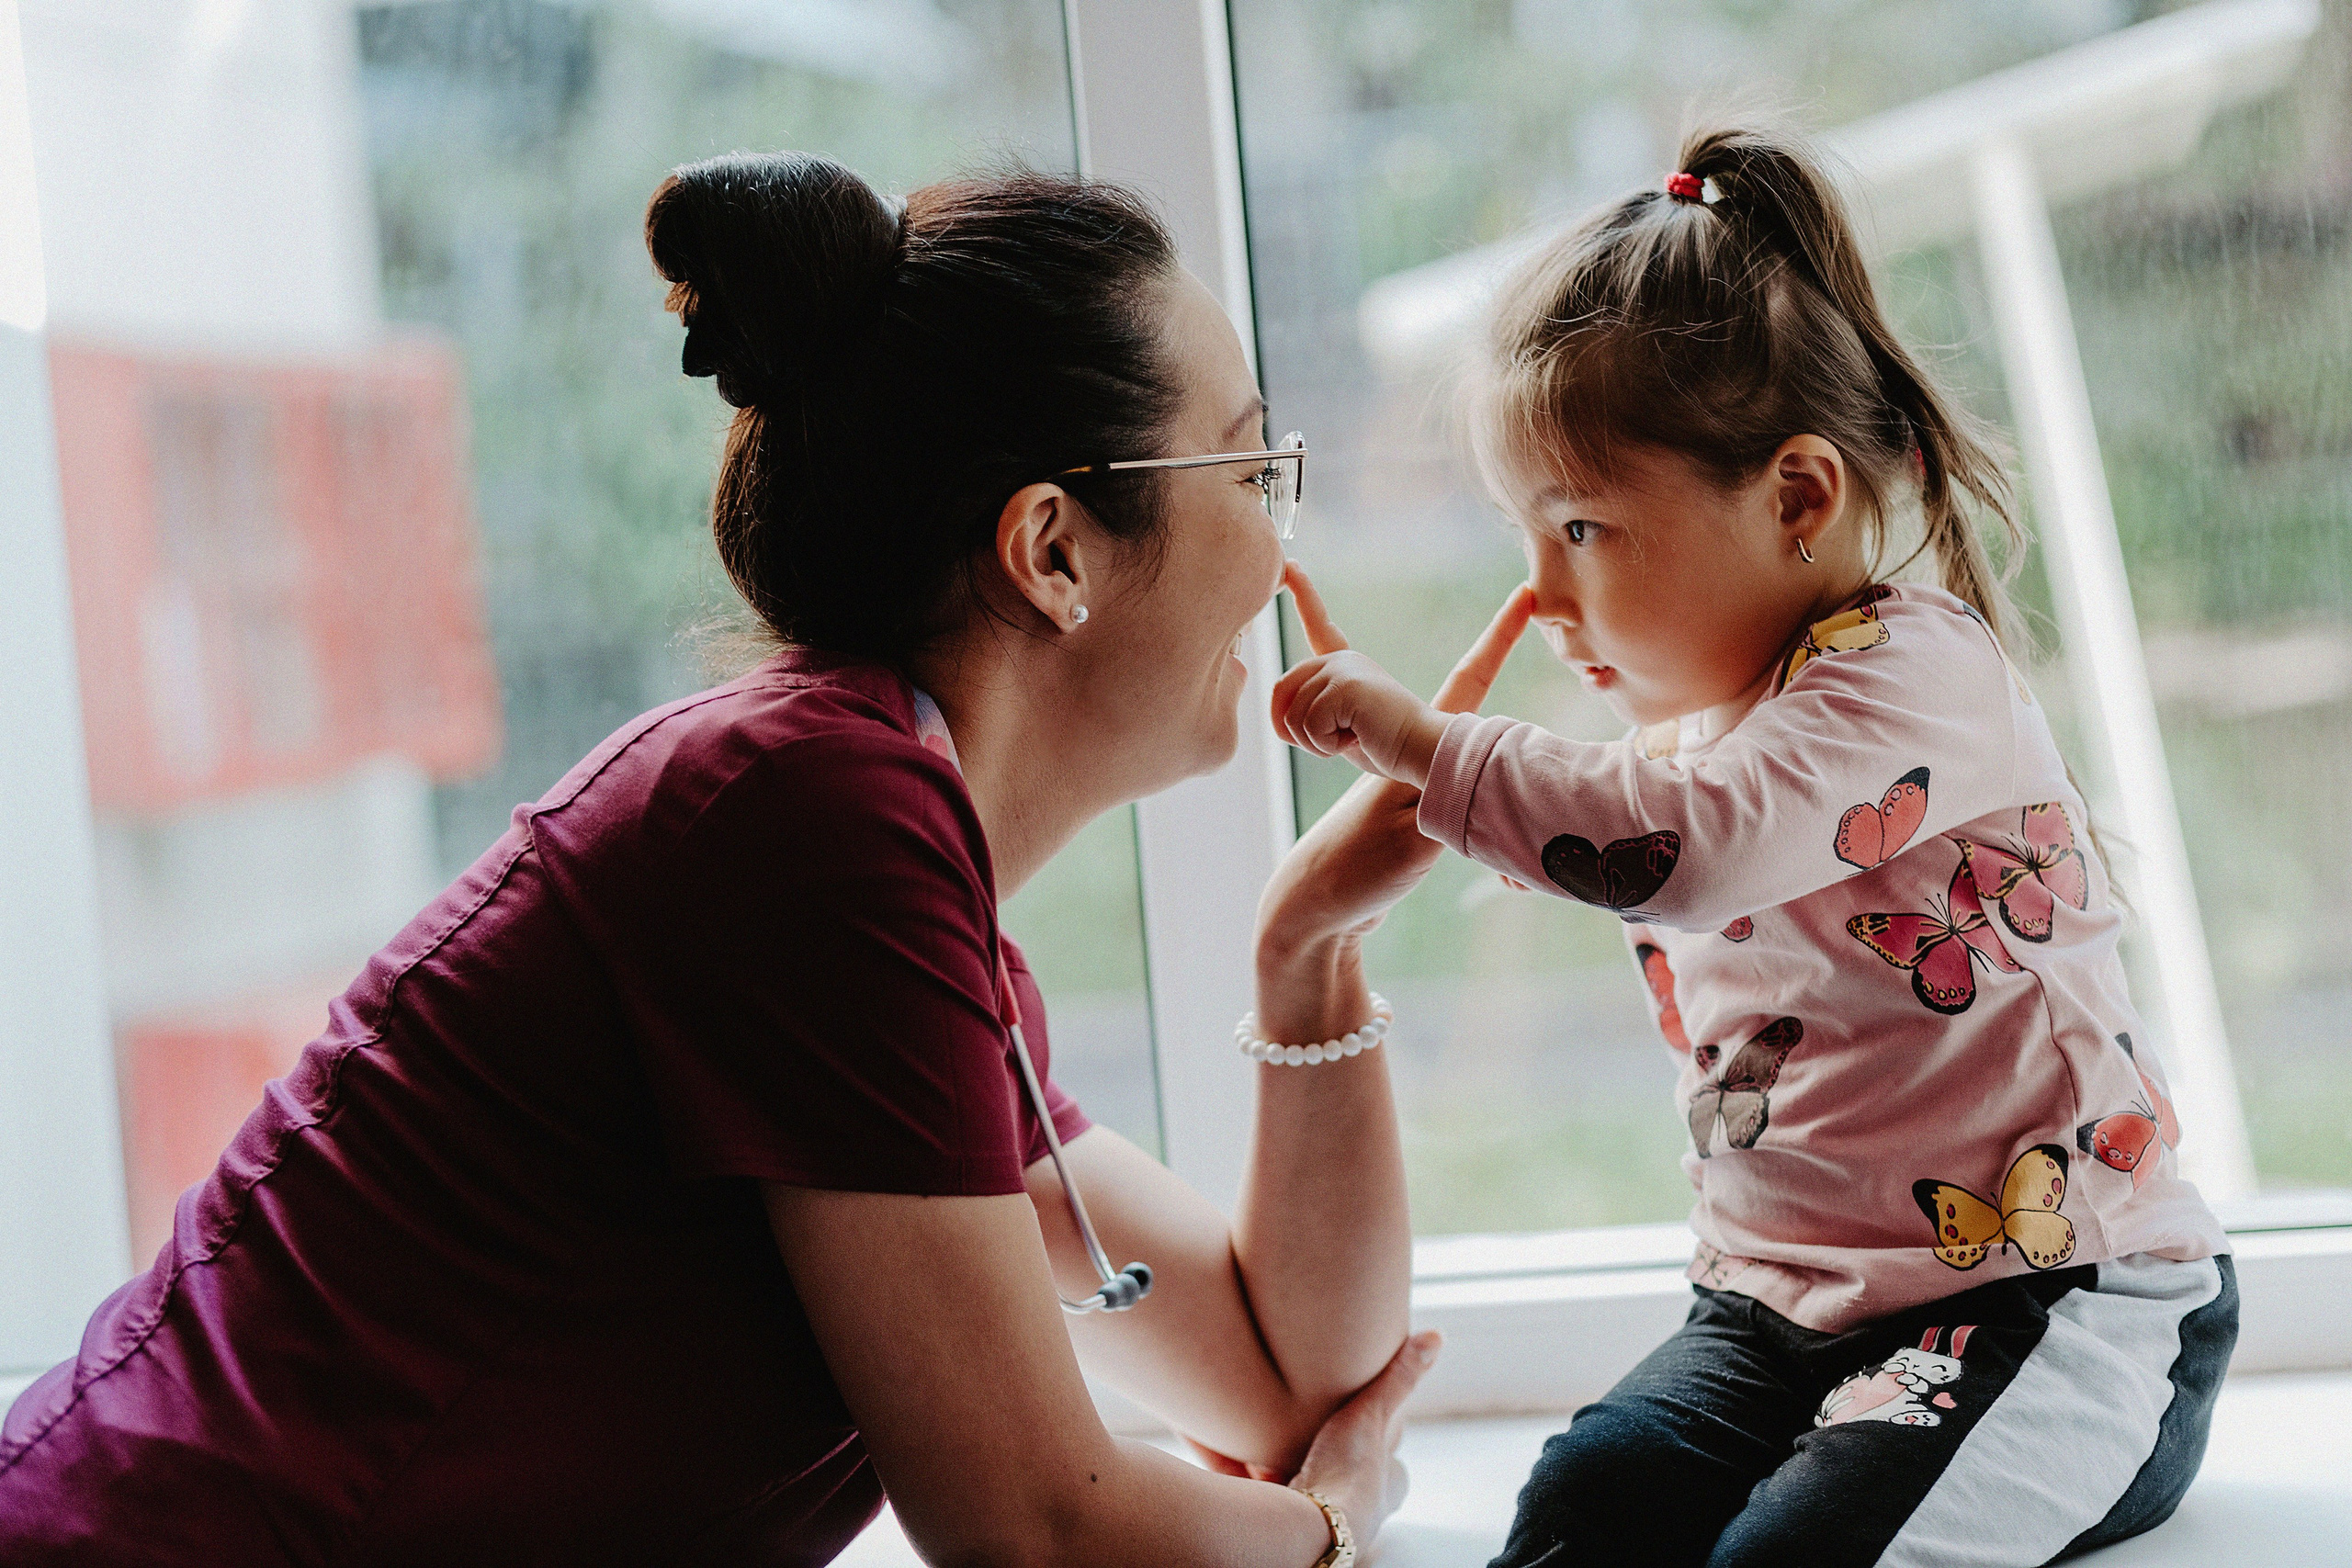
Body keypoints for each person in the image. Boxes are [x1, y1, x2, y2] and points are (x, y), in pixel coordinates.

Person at [0, 153, 1530, 1567]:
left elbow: (1280, 1375)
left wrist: (1310, 941)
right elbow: (1042, 1535)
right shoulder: (810, 826)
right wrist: (1328, 1535)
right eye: (1253, 471)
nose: (1287, 550)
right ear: (1055, 549)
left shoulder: (875, 841)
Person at [1267, 122, 2236, 1567]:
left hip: (2051, 1301)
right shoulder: (1694, 728)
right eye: (1527, 535)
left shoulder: (1910, 669)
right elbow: (1642, 823)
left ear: (1795, 497)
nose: (1539, 596)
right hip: (1784, 1310)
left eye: (1582, 529)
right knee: (1577, 1509)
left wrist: (1423, 745)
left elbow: (1686, 848)